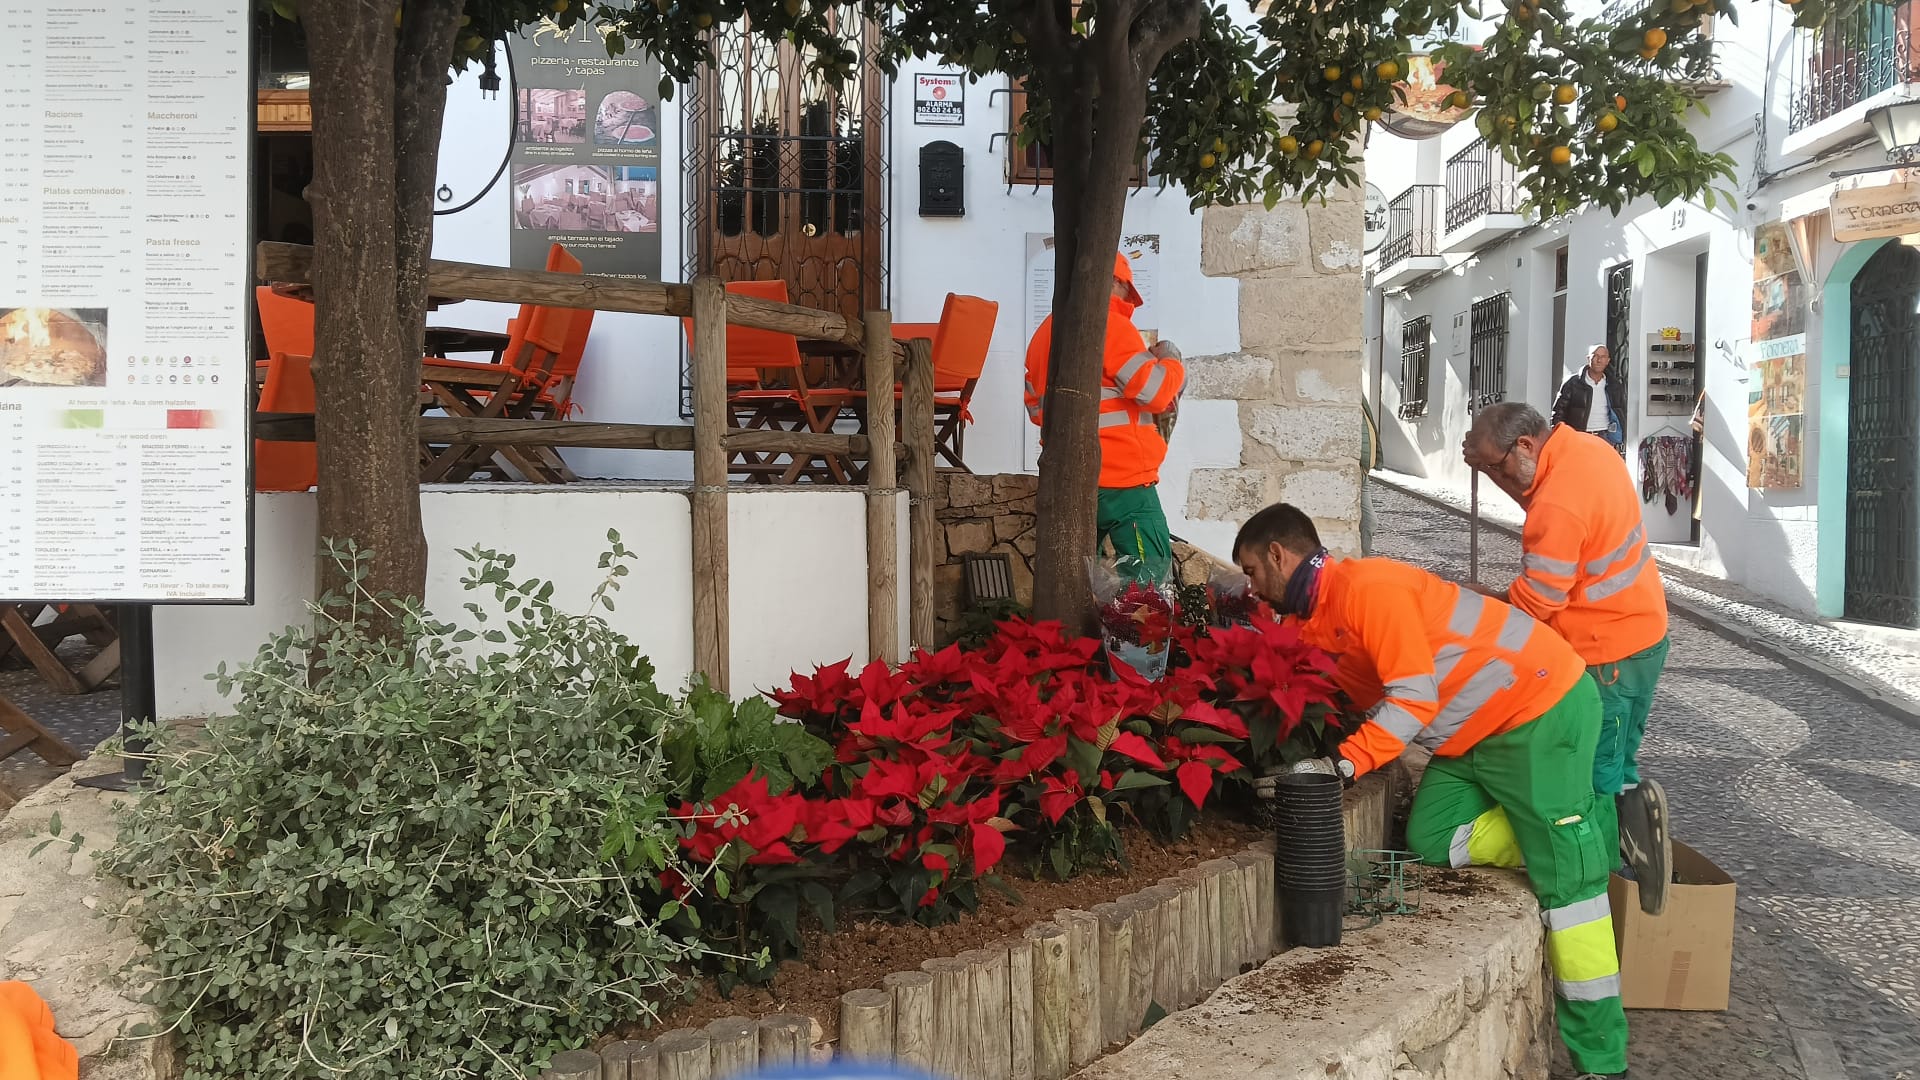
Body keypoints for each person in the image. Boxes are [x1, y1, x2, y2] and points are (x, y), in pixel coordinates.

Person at [1237, 504, 1628, 1080]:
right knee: (1432, 838)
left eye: (1251, 572)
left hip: (1539, 710)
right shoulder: (1317, 618)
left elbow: (1413, 700)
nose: (1250, 587)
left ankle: (1603, 1061)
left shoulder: (1367, 590)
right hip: (1470, 738)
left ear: (1278, 556)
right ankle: (1585, 826)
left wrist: (1342, 765)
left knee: (1570, 887)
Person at [1461, 403, 1672, 915]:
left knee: (1593, 773)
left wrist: (1481, 603)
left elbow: (1537, 603)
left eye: (1494, 467)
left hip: (1607, 654)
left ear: (1525, 445)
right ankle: (1636, 833)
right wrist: (1491, 465)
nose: (1493, 478)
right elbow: (1536, 495)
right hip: (1644, 633)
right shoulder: (1587, 448)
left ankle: (1605, 882)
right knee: (1619, 759)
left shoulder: (1557, 506)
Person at [1024, 253, 1185, 581]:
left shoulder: (1043, 334)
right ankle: (1137, 619)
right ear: (1114, 283)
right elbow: (1155, 393)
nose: (1128, 299)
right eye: (1127, 290)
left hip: (1070, 476)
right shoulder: (1111, 324)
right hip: (1124, 479)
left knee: (1079, 580)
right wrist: (1172, 361)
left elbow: (1037, 412)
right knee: (1148, 576)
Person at [1551, 344, 1627, 453]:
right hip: (1578, 436)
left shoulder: (1614, 385)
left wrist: (1620, 436)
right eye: (1595, 356)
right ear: (1588, 358)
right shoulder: (1572, 383)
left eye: (1603, 357)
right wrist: (1559, 436)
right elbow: (1558, 412)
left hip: (1605, 437)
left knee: (1602, 464)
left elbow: (1621, 412)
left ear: (1607, 361)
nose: (1599, 360)